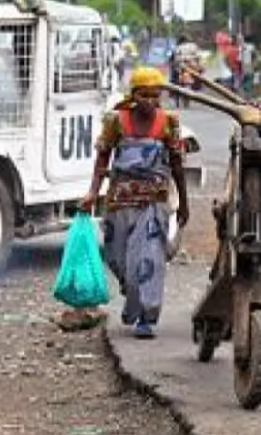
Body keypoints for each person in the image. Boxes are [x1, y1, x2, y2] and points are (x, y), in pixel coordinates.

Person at [80, 67, 190, 339]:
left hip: (154, 200)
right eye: (144, 95)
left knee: (149, 257)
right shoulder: (116, 121)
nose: (150, 101)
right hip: (120, 199)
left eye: (156, 95)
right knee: (118, 257)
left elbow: (176, 164)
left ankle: (145, 316)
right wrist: (93, 192)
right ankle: (132, 294)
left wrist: (184, 204)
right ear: (133, 96)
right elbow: (103, 158)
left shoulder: (168, 123)